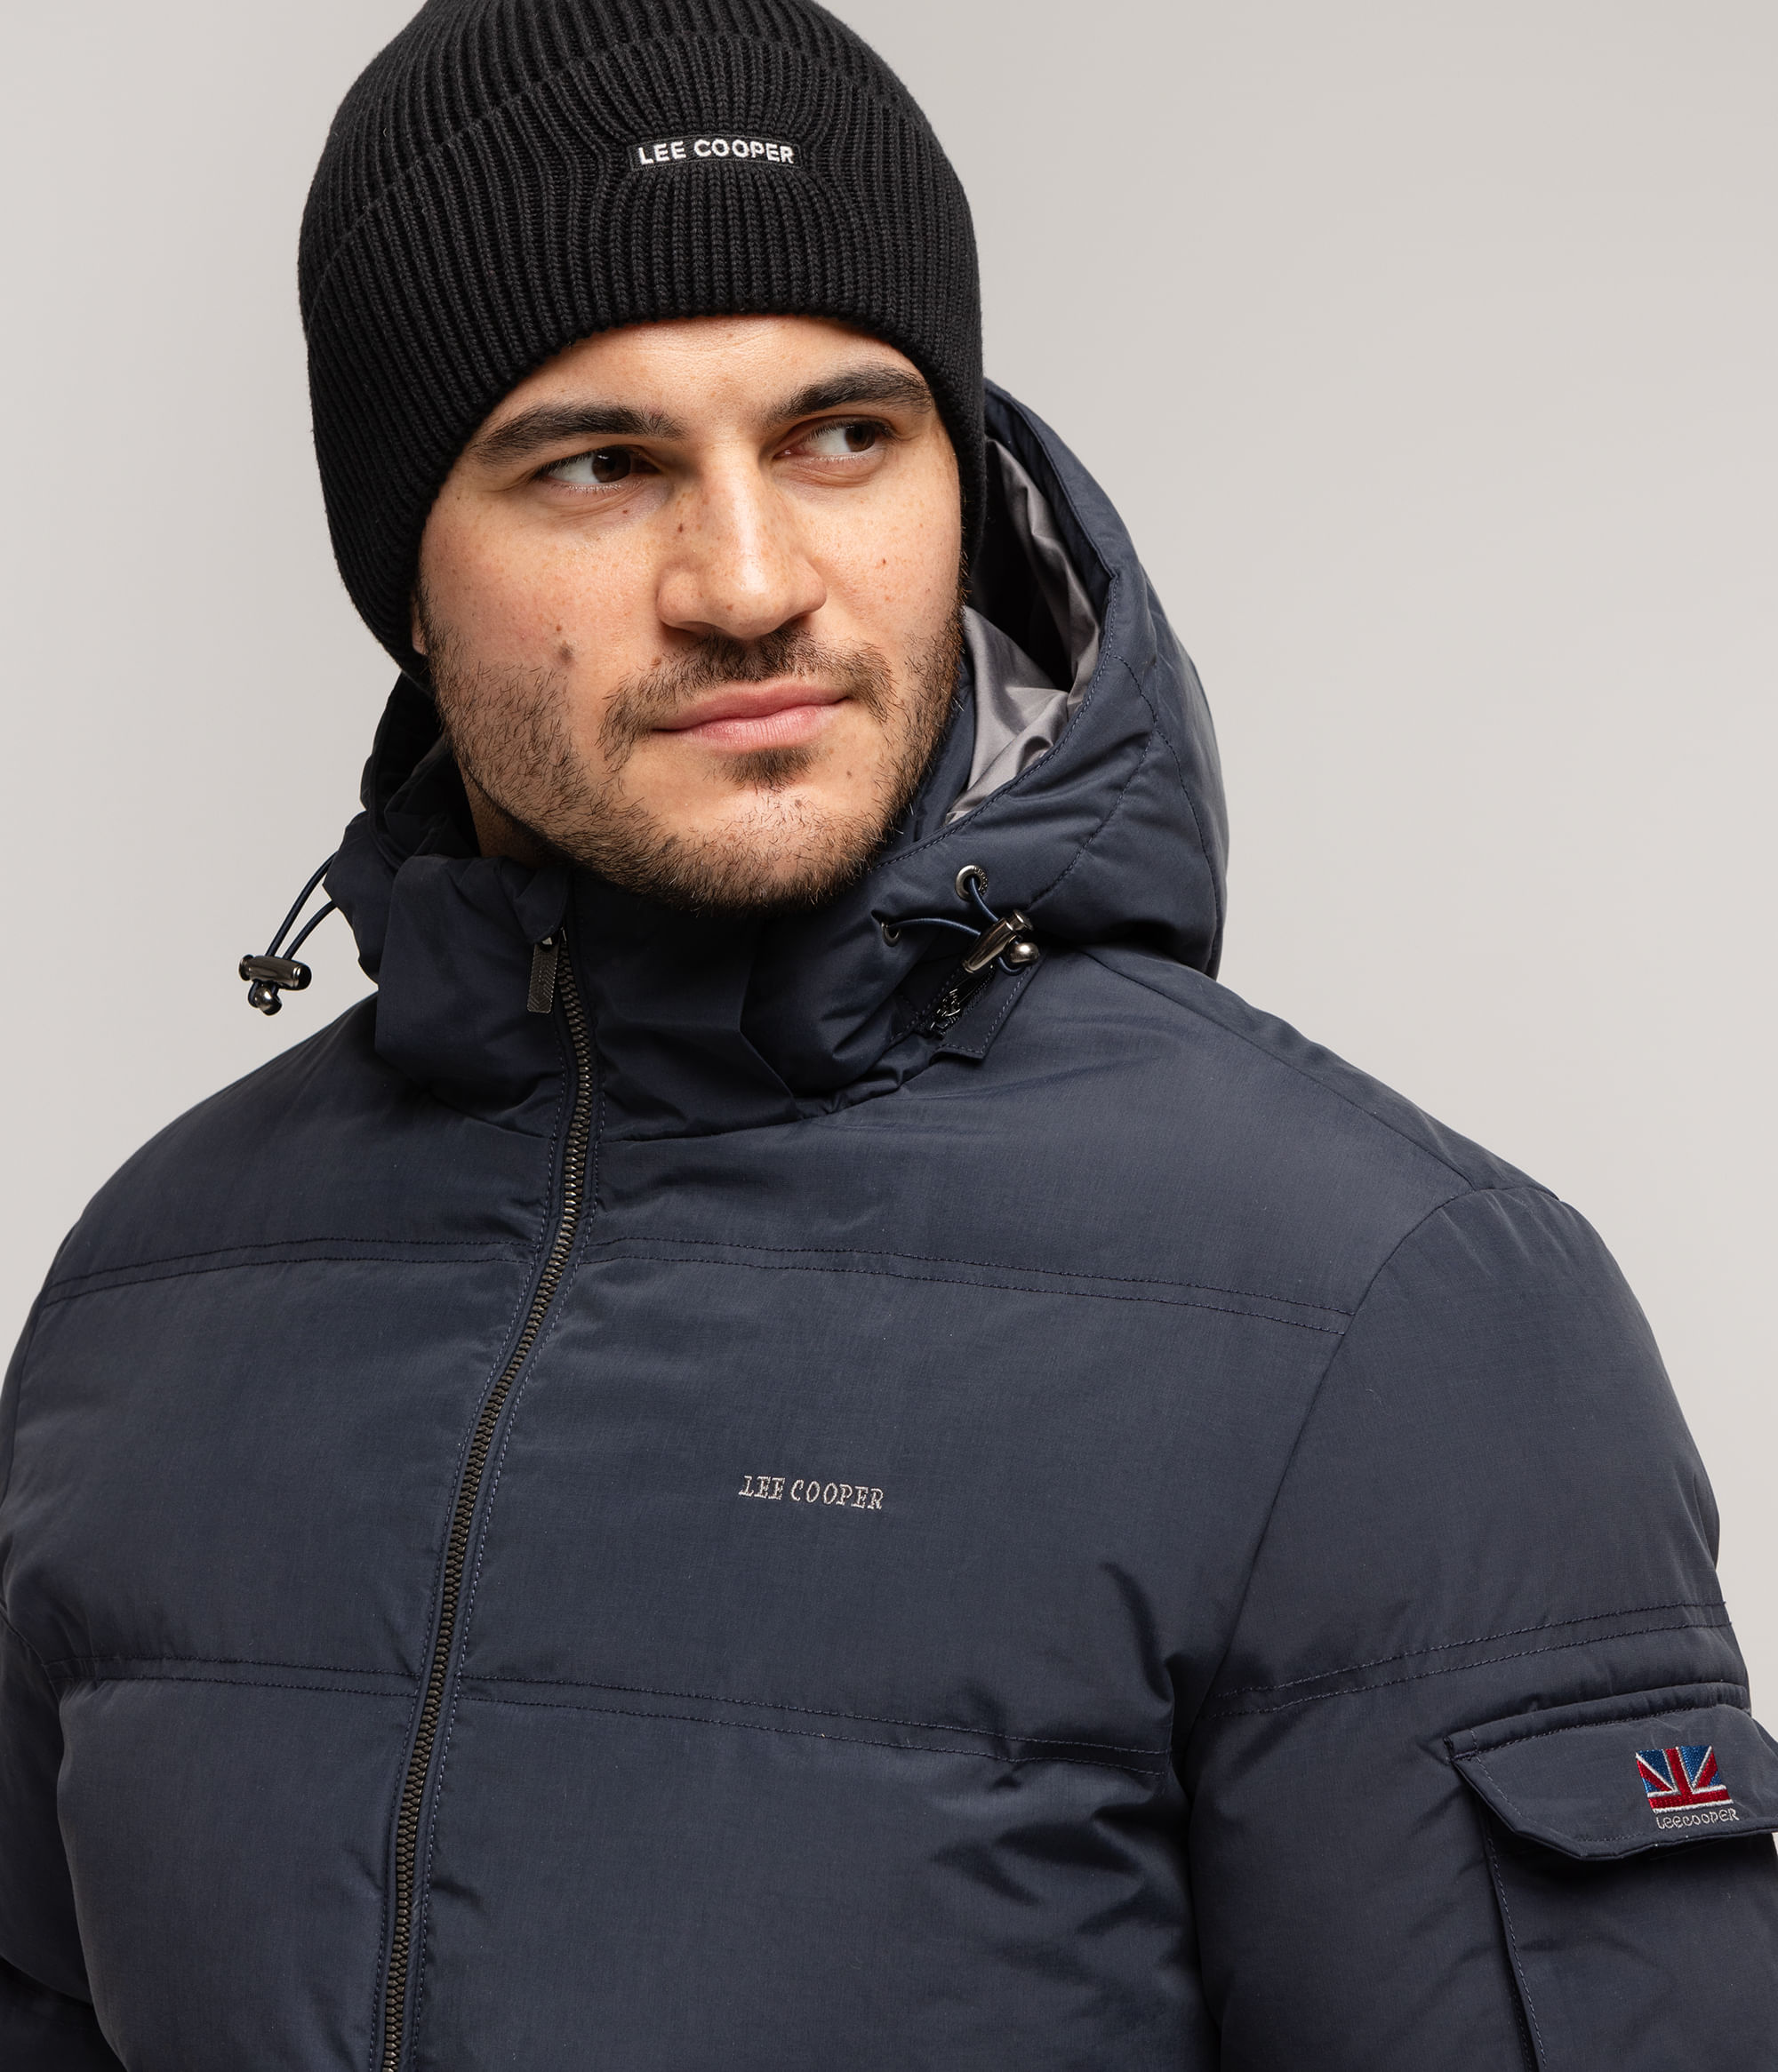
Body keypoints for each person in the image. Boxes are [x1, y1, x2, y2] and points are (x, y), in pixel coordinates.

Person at [3, 0, 1774, 2064]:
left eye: (842, 434)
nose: (750, 582)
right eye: (598, 464)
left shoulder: (1393, 1312)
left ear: (963, 480)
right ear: (406, 573)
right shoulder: (150, 1298)